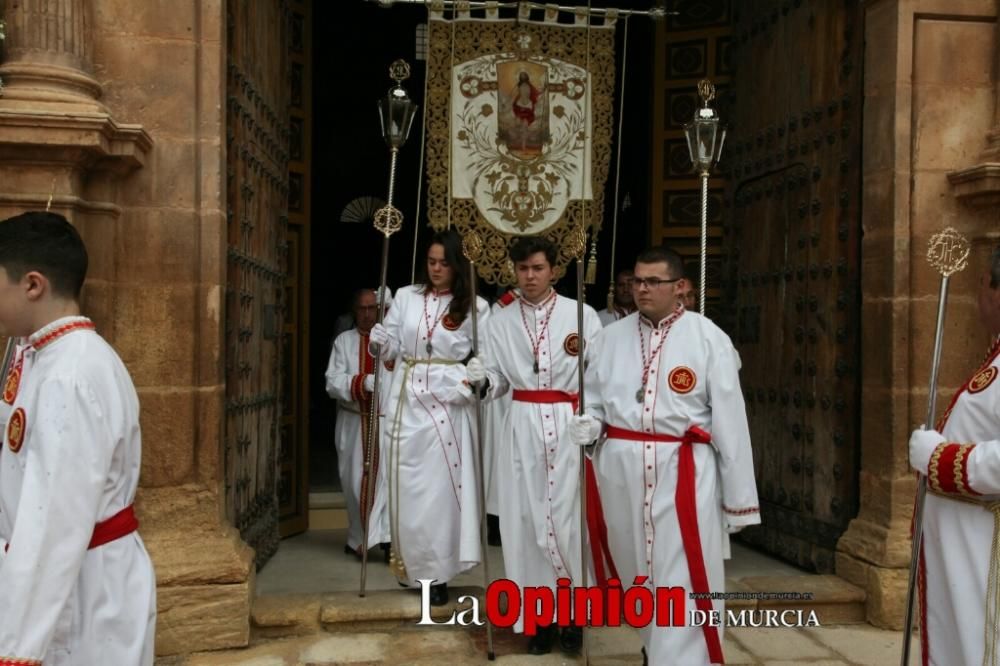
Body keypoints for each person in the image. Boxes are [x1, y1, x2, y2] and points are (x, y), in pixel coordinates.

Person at [569, 246, 759, 665]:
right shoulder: (609, 339)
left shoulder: (708, 338)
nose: (641, 289)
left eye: (653, 281)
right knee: (636, 568)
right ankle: (655, 643)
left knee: (683, 575)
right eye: (637, 280)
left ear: (680, 287)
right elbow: (595, 402)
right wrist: (592, 426)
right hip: (621, 473)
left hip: (683, 474)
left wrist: (739, 500)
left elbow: (731, 423)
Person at [0, 211, 157, 664]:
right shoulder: (43, 355)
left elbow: (55, 519)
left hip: (82, 591)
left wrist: (15, 645)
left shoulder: (69, 375)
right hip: (70, 579)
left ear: (33, 285)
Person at [468, 236, 602, 655]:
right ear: (514, 270)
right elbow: (498, 381)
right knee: (523, 525)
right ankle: (537, 619)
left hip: (568, 427)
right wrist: (482, 380)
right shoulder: (499, 322)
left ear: (554, 269)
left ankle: (575, 617)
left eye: (538, 268)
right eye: (523, 269)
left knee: (570, 524)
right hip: (522, 427)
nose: (530, 277)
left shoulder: (582, 316)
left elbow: (599, 376)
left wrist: (592, 420)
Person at [368, 228, 489, 606]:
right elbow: (391, 343)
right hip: (407, 400)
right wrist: (379, 340)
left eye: (444, 263)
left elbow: (486, 361)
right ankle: (411, 566)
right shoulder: (406, 296)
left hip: (448, 401)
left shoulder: (476, 307)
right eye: (431, 262)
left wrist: (470, 384)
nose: (436, 269)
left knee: (440, 494)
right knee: (409, 488)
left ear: (457, 266)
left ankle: (437, 575)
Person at [909, 245, 1000, 666]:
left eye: (982, 284)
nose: (978, 296)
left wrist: (938, 459)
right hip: (966, 543)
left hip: (986, 547)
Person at [325, 287, 392, 561]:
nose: (366, 314)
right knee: (354, 481)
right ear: (354, 311)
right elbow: (332, 381)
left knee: (388, 483)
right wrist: (359, 382)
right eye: (361, 309)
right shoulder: (344, 341)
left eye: (371, 308)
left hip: (386, 423)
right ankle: (357, 538)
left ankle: (388, 540)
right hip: (354, 422)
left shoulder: (391, 342)